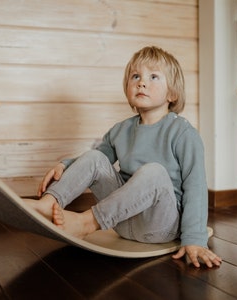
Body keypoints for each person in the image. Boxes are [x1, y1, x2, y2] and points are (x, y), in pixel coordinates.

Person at [26, 46, 222, 268]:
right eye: (135, 76)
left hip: (161, 224)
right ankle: (47, 204)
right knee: (95, 156)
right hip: (122, 220)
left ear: (172, 94)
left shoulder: (183, 133)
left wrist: (195, 240)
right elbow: (94, 162)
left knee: (154, 171)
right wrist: (65, 164)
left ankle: (86, 222)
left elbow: (196, 186)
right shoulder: (121, 130)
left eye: (153, 76)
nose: (141, 82)